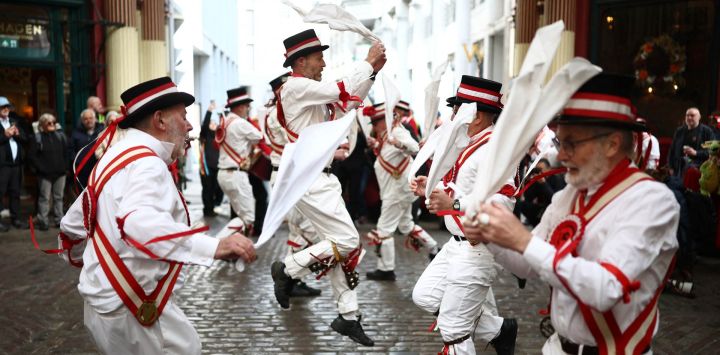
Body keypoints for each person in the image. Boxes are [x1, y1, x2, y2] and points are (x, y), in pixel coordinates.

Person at [463, 73, 679, 354]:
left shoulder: (652, 201)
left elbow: (606, 289)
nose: (561, 156)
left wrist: (523, 240)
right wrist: (489, 235)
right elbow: (526, 265)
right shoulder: (568, 195)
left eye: (571, 143)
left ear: (612, 144)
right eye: (559, 143)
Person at [58, 76, 257, 354]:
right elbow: (139, 224)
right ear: (160, 120)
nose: (189, 125)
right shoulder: (147, 164)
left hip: (111, 303)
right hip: (131, 307)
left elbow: (71, 225)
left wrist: (98, 263)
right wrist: (214, 246)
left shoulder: (116, 156)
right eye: (184, 116)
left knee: (188, 346)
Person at [269, 28, 386, 346]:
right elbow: (343, 88)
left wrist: (371, 73)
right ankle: (288, 268)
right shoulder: (295, 87)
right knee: (347, 240)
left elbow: (348, 102)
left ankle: (349, 316)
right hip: (311, 178)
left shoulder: (307, 89)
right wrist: (367, 62)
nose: (323, 62)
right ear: (302, 61)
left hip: (317, 177)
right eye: (319, 57)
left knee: (338, 245)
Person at [409, 75, 517, 355]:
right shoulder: (467, 142)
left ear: (477, 116)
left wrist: (454, 202)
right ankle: (498, 329)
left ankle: (489, 332)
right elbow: (457, 187)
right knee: (425, 295)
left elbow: (503, 205)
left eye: (458, 109)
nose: (453, 115)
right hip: (455, 245)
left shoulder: (497, 148)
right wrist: (429, 188)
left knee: (454, 329)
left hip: (478, 246)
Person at [363, 102, 438, 281]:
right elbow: (387, 158)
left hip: (397, 191)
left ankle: (386, 269)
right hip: (396, 190)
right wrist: (376, 145)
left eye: (375, 122)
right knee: (406, 225)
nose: (373, 125)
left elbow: (415, 147)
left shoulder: (397, 132)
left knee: (384, 229)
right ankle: (434, 249)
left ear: (385, 120)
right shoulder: (385, 135)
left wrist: (397, 143)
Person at [264, 71, 322, 297]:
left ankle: (292, 278)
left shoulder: (277, 112)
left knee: (298, 229)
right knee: (308, 227)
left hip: (287, 174)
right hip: (287, 174)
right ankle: (289, 274)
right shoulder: (277, 114)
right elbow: (298, 140)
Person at [215, 86, 262, 234]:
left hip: (224, 174)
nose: (248, 109)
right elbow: (259, 136)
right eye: (247, 106)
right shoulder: (240, 123)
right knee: (249, 219)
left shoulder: (224, 122)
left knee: (241, 216)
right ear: (241, 106)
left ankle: (233, 249)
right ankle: (220, 242)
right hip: (236, 174)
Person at [29, 113, 68, 231]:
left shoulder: (61, 136)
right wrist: (41, 169)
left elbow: (66, 153)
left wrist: (65, 168)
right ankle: (43, 221)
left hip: (60, 173)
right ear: (42, 125)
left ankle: (59, 220)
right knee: (44, 198)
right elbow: (32, 156)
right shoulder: (37, 138)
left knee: (59, 197)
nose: (52, 125)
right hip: (45, 174)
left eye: (53, 122)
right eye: (48, 123)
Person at [0, 96, 28, 231]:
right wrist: (4, 135)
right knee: (0, 192)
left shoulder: (13, 121)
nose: (6, 109)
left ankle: (15, 219)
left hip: (16, 164)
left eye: (7, 107)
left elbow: (26, 139)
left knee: (15, 192)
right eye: (3, 107)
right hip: (2, 165)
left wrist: (17, 134)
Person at [667, 107, 714, 177]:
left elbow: (712, 152)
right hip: (678, 170)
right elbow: (672, 150)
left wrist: (696, 153)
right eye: (687, 115)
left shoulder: (707, 132)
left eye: (692, 115)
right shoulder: (679, 131)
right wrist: (670, 167)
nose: (689, 118)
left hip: (697, 171)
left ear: (699, 117)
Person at [199, 101, 223, 217]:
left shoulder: (219, 136)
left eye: (215, 123)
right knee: (207, 189)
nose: (213, 124)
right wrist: (209, 111)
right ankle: (208, 210)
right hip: (207, 167)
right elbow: (205, 125)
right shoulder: (205, 135)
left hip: (218, 167)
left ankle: (214, 205)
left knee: (217, 189)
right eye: (211, 123)